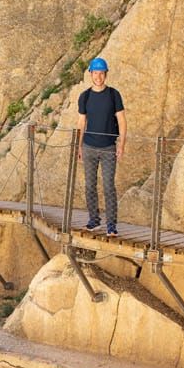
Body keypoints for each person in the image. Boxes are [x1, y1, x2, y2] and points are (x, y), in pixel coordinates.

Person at [76, 56, 125, 235]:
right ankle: (94, 220)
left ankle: (111, 225)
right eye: (95, 72)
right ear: (90, 74)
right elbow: (81, 123)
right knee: (90, 185)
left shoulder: (113, 95)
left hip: (108, 148)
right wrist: (78, 147)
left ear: (106, 74)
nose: (98, 76)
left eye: (101, 73)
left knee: (108, 186)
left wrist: (121, 145)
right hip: (89, 147)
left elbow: (122, 120)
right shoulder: (85, 96)